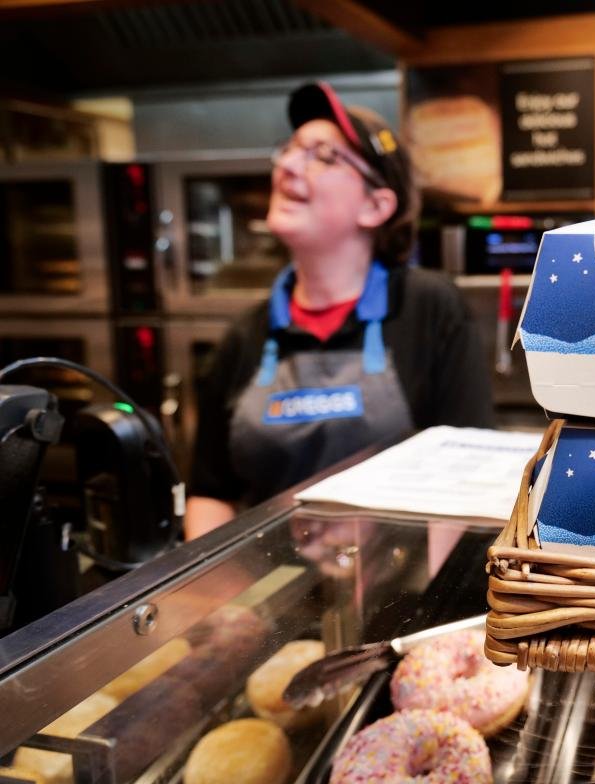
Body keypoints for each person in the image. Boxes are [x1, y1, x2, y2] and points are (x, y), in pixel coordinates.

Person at [185, 82, 494, 539]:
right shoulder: (247, 335)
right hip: (271, 597)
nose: (288, 166)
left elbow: (468, 483)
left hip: (408, 597)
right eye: (289, 150)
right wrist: (223, 608)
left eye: (323, 156)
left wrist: (426, 609)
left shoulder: (429, 309)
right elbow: (211, 494)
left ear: (375, 206)